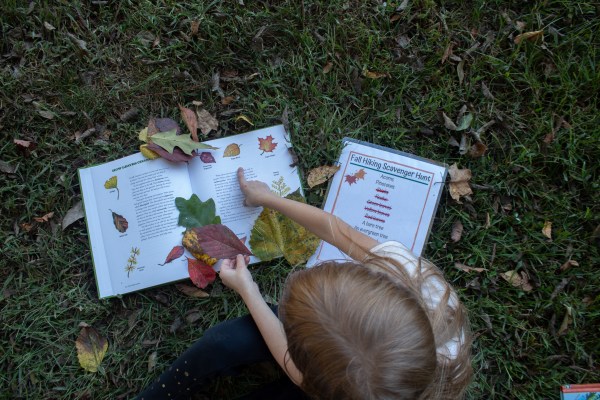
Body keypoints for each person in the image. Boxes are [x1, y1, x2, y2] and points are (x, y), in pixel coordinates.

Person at [137, 167, 472, 400]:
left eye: (293, 331)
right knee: (222, 342)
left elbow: (294, 366)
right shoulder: (409, 274)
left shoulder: (341, 384)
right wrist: (269, 198)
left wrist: (249, 291)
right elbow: (337, 231)